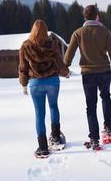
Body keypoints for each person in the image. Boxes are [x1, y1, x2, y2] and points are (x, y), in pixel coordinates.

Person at [64, 5, 111, 150]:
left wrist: (65, 67)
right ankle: (109, 127)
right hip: (104, 72)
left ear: (84, 17)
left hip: (88, 74)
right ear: (97, 16)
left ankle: (94, 139)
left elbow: (68, 54)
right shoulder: (105, 31)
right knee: (106, 97)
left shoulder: (78, 33)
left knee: (91, 106)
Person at [19, 20, 70, 158]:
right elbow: (60, 62)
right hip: (53, 81)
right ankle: (55, 138)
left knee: (39, 114)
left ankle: (42, 148)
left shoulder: (26, 46)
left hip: (35, 84)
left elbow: (23, 68)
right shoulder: (52, 44)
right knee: (53, 107)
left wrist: (24, 84)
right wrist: (66, 72)